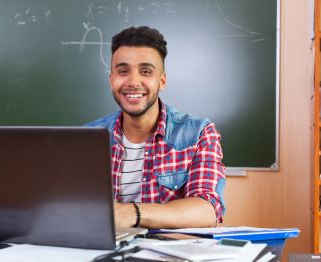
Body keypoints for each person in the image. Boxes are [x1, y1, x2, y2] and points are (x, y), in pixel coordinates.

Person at [86, 26, 226, 229]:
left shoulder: (199, 133)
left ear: (162, 81)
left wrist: (132, 213)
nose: (133, 82)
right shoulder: (88, 137)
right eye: (123, 71)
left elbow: (208, 210)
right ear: (111, 80)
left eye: (146, 72)